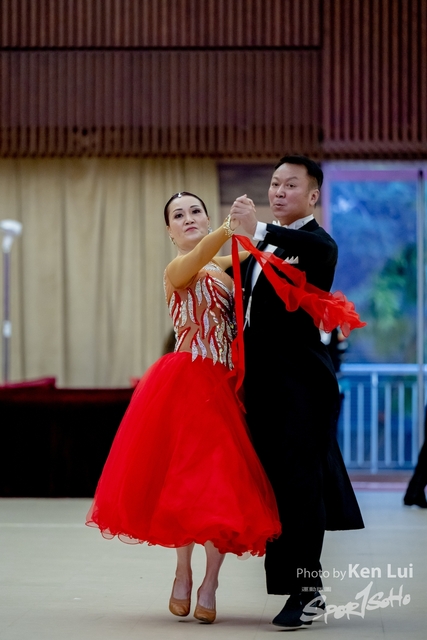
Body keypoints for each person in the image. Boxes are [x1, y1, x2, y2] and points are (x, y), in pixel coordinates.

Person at [86, 191, 281, 624]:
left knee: (220, 486)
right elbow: (207, 254)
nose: (188, 218)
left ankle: (210, 581)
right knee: (183, 482)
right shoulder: (177, 268)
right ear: (169, 230)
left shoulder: (223, 268)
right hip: (186, 384)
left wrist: (261, 233)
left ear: (206, 217)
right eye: (179, 215)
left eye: (195, 211)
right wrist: (228, 228)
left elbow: (253, 255)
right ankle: (182, 570)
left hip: (226, 388)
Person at [230, 155, 365, 629]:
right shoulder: (262, 249)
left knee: (302, 488)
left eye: (290, 185)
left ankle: (307, 591)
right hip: (263, 388)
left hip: (302, 387)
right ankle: (298, 589)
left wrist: (256, 229)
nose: (278, 191)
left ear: (313, 196)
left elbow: (305, 247)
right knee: (278, 491)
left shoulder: (316, 245)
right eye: (274, 184)